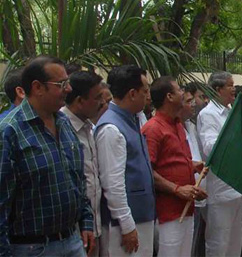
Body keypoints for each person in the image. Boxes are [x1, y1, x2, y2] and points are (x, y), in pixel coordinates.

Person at [0, 56, 95, 256]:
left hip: (72, 241)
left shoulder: (64, 122)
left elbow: (77, 177)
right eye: (62, 84)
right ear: (37, 88)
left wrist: (86, 220)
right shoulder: (9, 132)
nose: (69, 89)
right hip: (32, 248)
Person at [142, 77, 207, 257]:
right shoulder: (153, 128)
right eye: (179, 90)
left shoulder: (178, 125)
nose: (183, 93)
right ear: (169, 97)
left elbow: (171, 161)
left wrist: (192, 166)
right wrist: (177, 189)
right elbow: (148, 171)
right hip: (167, 214)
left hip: (187, 208)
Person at [95, 65, 156, 257]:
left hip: (140, 216)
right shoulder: (111, 128)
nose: (148, 96)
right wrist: (127, 225)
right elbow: (113, 184)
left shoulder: (133, 119)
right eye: (145, 91)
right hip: (123, 225)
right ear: (132, 93)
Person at [197, 72, 242, 256]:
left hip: (237, 188)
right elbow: (211, 148)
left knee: (234, 244)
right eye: (230, 85)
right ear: (217, 89)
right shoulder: (208, 115)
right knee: (219, 244)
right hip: (220, 190)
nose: (234, 89)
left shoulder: (232, 112)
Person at [62, 70, 106, 257]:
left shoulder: (89, 127)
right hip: (72, 232)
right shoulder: (62, 128)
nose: (102, 103)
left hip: (92, 226)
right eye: (97, 98)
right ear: (80, 101)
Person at [181, 86, 207, 257]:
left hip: (198, 192)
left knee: (195, 243)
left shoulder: (190, 125)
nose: (192, 105)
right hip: (182, 197)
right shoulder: (160, 127)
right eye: (188, 101)